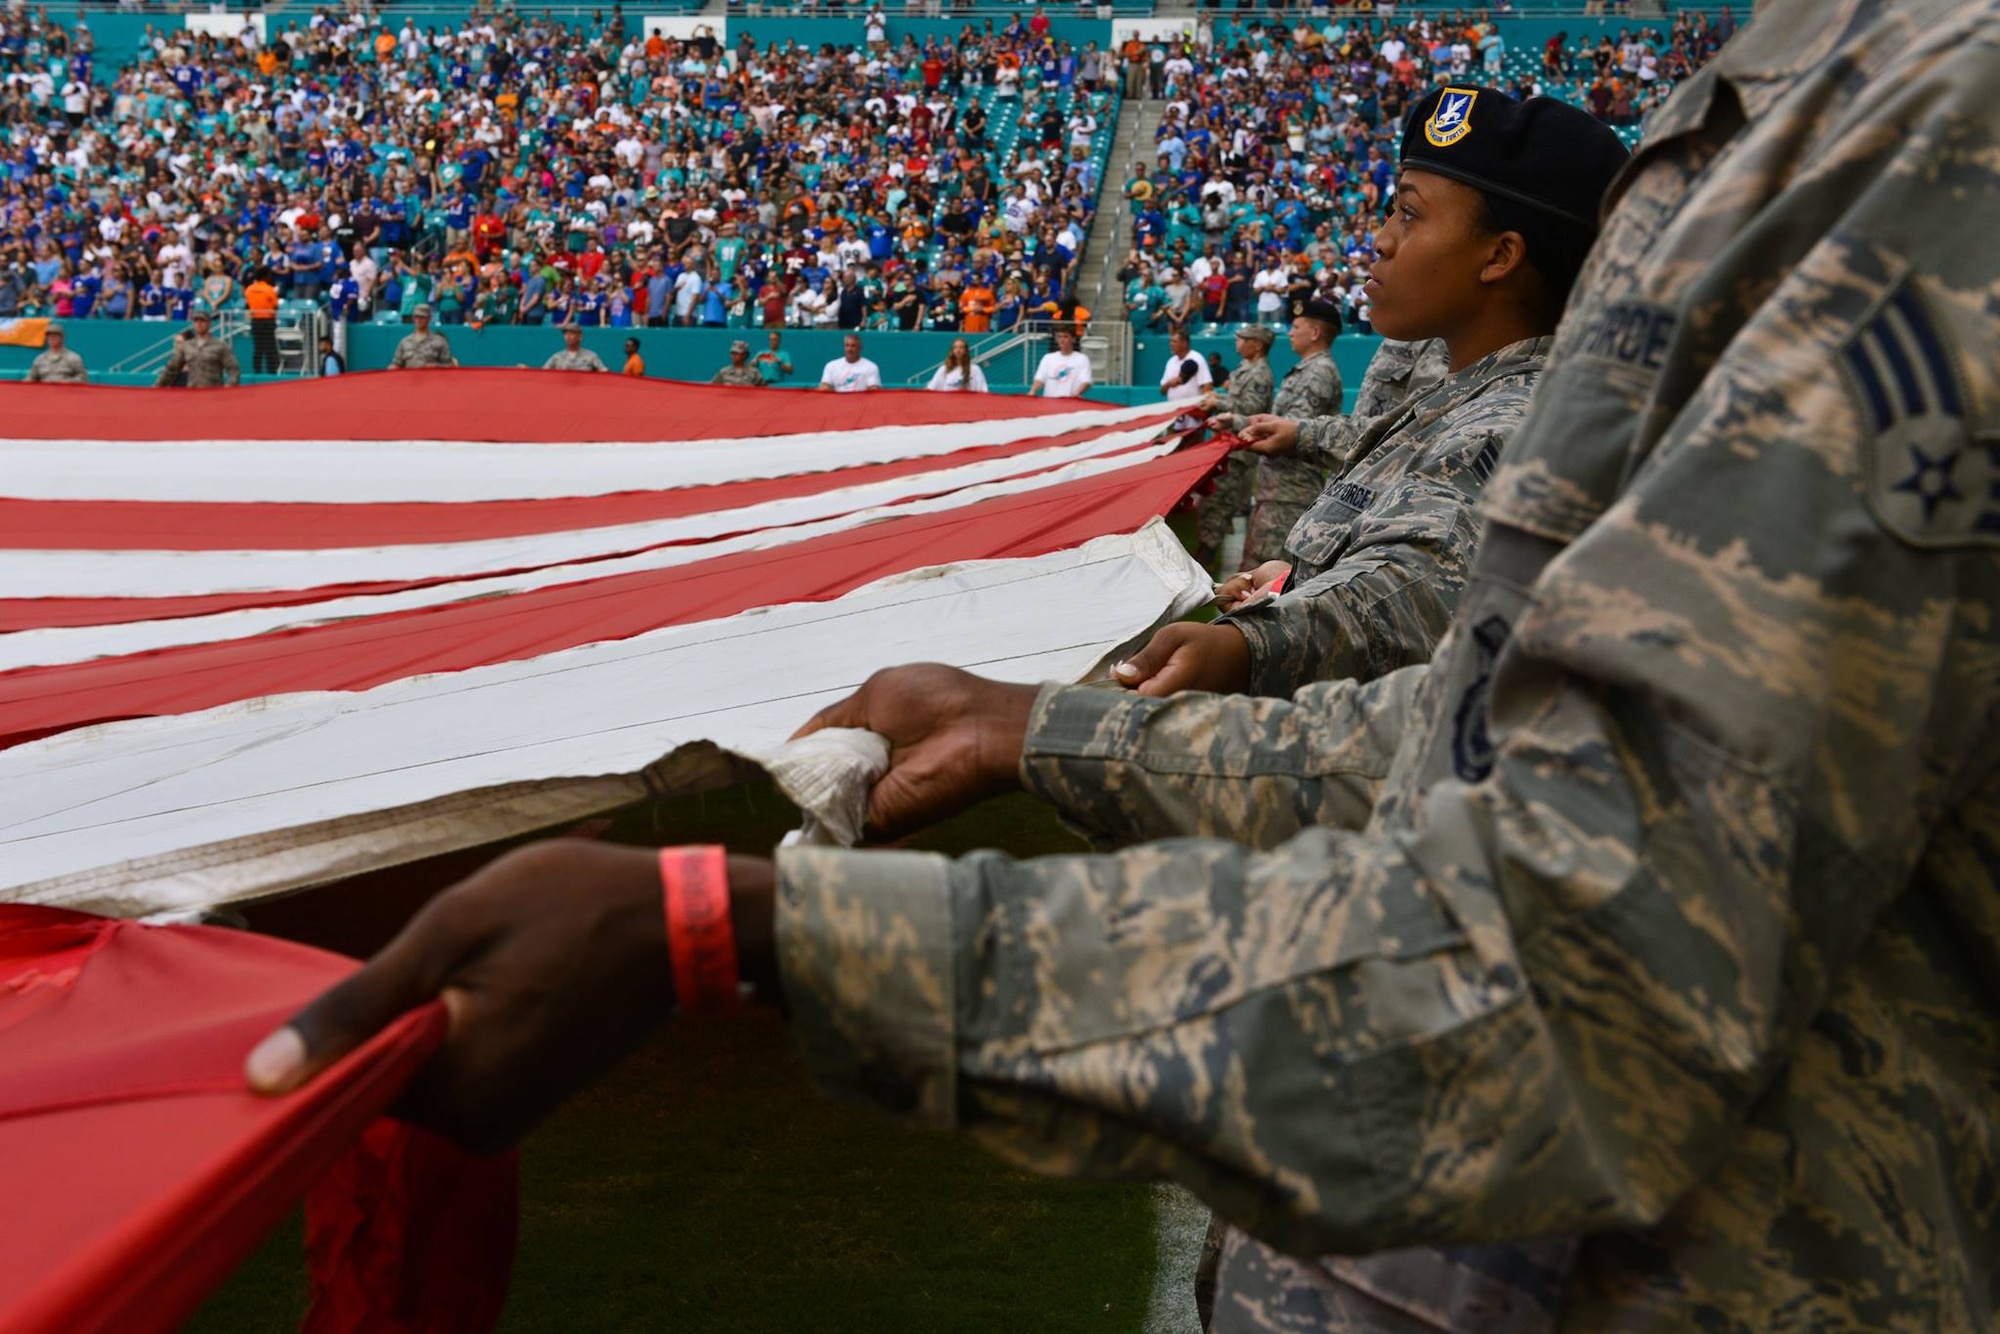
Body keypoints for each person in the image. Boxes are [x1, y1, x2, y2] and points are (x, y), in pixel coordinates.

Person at [249, 11, 2000, 1331]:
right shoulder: (1806, 101)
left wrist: (755, 935)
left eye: (1414, 210)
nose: (1375, 238)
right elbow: (1492, 715)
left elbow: (1583, 979)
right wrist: (1038, 724)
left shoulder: (1932, 125)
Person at [1121, 87, 1625, 699]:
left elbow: (1416, 588)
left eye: (1409, 214)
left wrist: (1247, 646)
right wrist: (1305, 578)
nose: (1382, 239)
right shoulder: (1467, 393)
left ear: (1499, 256)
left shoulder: (1514, 422)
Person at [1241, 298, 1345, 568]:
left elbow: (1293, 430)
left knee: (1266, 572)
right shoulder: (1307, 369)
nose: (1290, 332)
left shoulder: (1318, 372)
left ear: (1315, 333)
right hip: (1279, 489)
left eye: (1296, 326)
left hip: (1289, 492)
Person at [1193, 325, 1274, 573]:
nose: (1237, 343)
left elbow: (1251, 410)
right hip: (1228, 443)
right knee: (1212, 500)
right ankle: (1205, 549)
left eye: (1243, 339)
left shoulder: (1260, 374)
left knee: (1218, 501)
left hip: (1239, 449)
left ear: (1257, 345)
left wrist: (1220, 402)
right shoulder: (1244, 369)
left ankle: (1206, 554)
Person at [156, 309, 242, 388]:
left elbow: (233, 369)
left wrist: (229, 388)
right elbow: (171, 369)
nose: (199, 323)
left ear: (209, 323)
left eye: (202, 321)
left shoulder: (220, 346)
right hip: (193, 393)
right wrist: (157, 387)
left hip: (214, 393)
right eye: (196, 321)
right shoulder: (187, 346)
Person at [1029, 326, 1093, 398]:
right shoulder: (1048, 358)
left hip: (1071, 404)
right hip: (1049, 403)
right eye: (1059, 337)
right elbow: (1040, 379)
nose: (1062, 340)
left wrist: (1076, 394)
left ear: (1073, 339)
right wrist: (1032, 391)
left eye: (1065, 337)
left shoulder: (1082, 359)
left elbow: (1086, 381)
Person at [389, 305, 457, 369]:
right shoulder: (405, 342)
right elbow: (396, 363)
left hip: (432, 379)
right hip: (409, 379)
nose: (418, 320)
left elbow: (449, 366)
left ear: (429, 318)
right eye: (416, 317)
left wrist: (436, 366)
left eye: (422, 317)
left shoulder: (439, 341)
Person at [1158, 327, 1213, 405]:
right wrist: (1169, 383)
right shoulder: (1170, 362)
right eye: (1170, 341)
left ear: (1184, 343)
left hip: (1192, 410)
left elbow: (1207, 386)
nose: (1171, 344)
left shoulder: (1197, 359)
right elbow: (1162, 391)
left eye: (1174, 342)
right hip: (1174, 410)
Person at [244, 268, 281, 375]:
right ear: (265, 276)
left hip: (255, 321)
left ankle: (257, 372)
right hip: (268, 321)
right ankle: (272, 373)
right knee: (270, 348)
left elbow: (248, 304)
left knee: (258, 348)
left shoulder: (249, 289)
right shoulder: (270, 289)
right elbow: (275, 306)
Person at [817, 333, 882, 392]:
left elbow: (874, 391)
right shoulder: (831, 366)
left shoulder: (871, 367)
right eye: (847, 345)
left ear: (860, 347)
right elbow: (824, 387)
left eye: (853, 346)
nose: (849, 349)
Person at [544, 323, 609, 372]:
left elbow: (604, 373)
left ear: (580, 337)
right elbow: (544, 373)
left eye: (572, 334)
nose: (568, 337)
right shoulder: (557, 357)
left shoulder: (591, 356)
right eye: (566, 334)